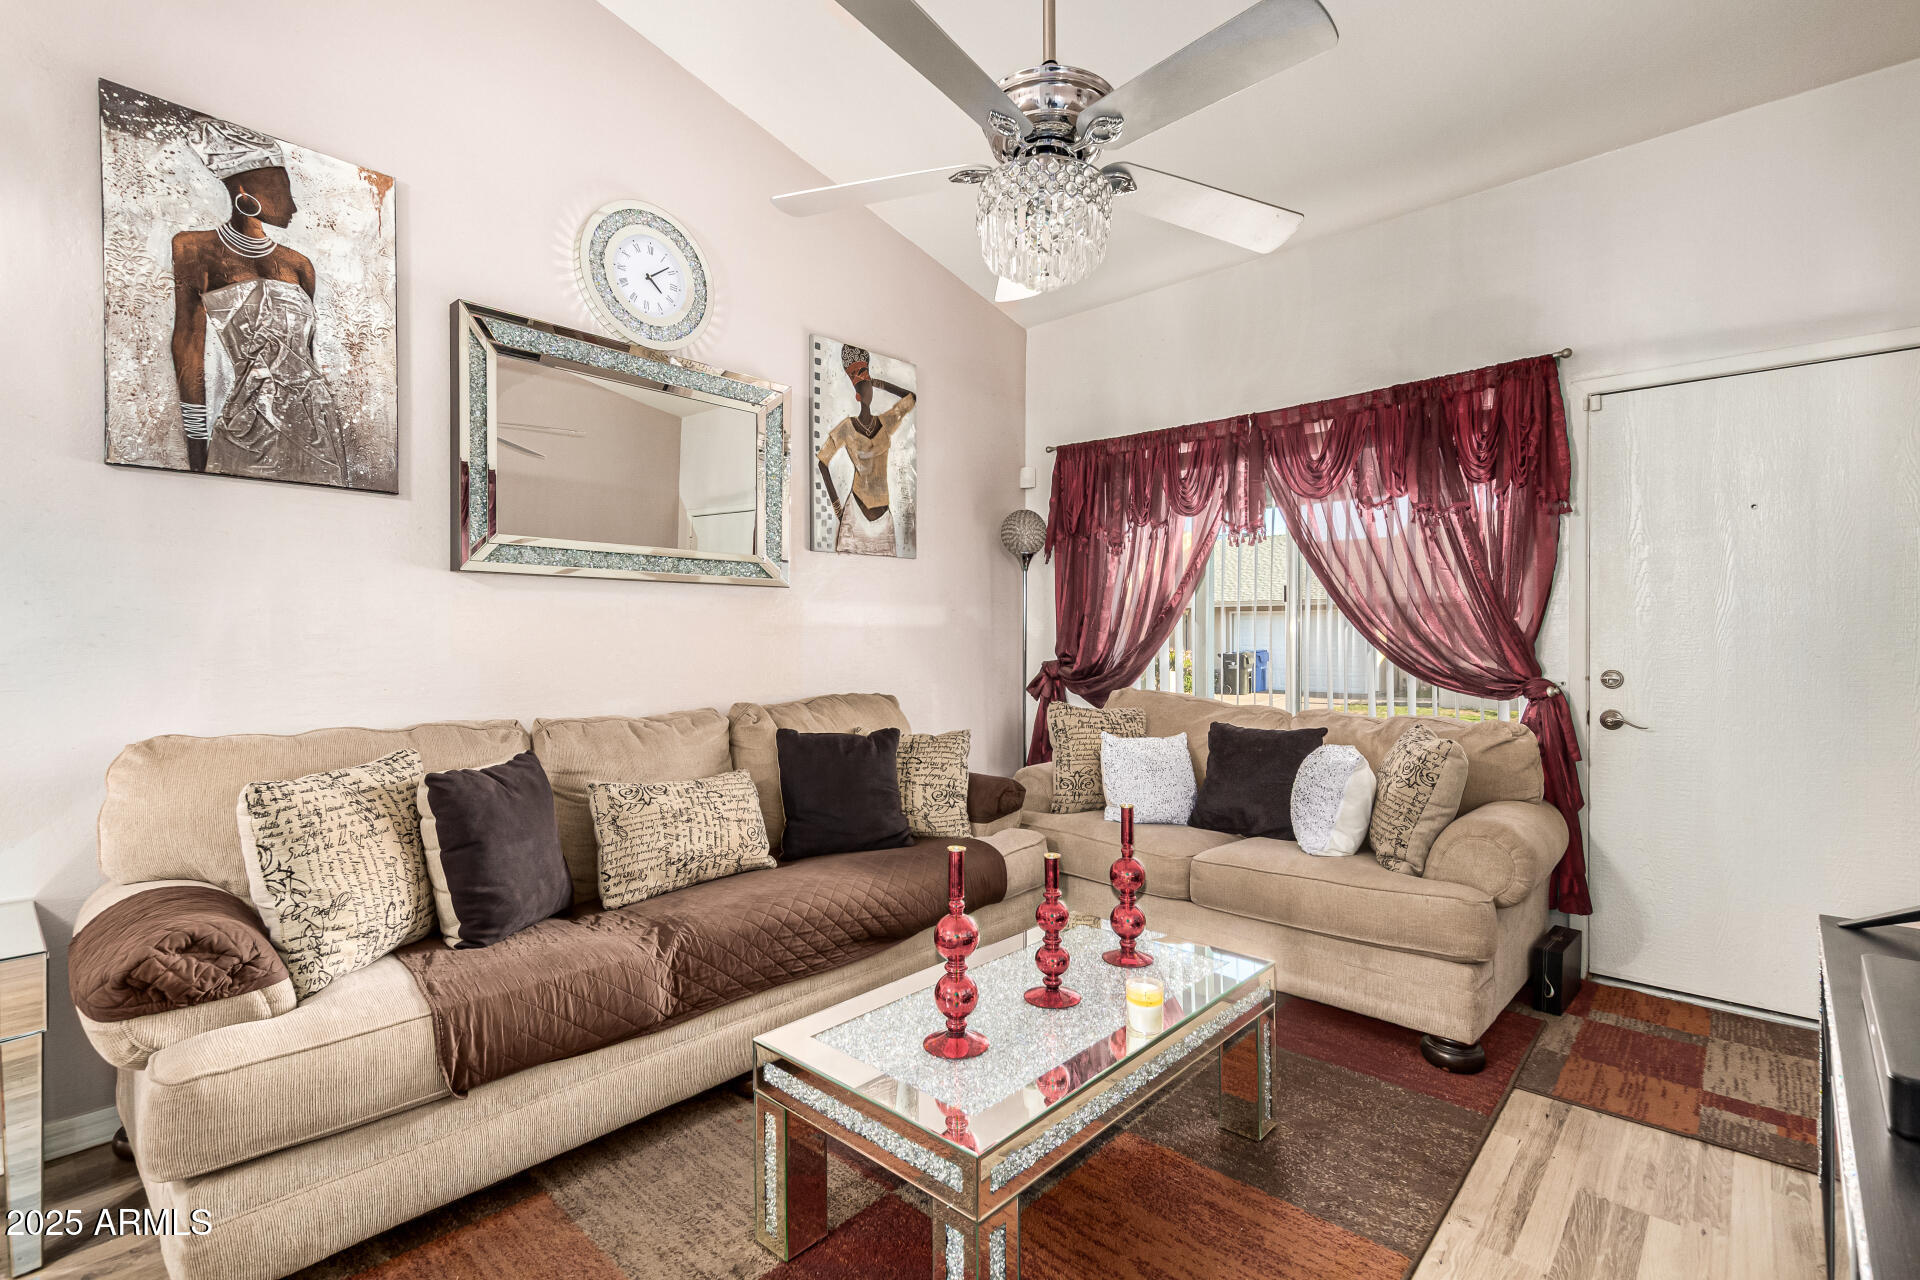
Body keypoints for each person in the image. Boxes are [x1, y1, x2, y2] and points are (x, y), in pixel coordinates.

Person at [169, 118, 348, 485]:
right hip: (249, 424)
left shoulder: (299, 265)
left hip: (317, 425)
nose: (292, 203)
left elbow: (307, 358)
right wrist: (196, 446)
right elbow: (188, 346)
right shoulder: (193, 248)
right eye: (280, 189)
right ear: (243, 189)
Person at [816, 344, 914, 555]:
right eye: (866, 387)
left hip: (884, 516)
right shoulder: (847, 427)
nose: (870, 390)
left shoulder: (885, 423)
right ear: (858, 396)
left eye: (870, 386)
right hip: (856, 513)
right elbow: (822, 461)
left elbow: (910, 399)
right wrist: (838, 510)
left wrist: (880, 383)